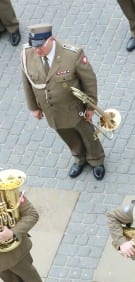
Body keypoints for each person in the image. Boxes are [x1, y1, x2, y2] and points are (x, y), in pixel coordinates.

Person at [21, 23, 106, 180]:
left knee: (87, 134)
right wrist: (33, 107)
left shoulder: (72, 55)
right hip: (52, 111)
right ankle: (79, 158)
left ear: (51, 40)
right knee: (67, 136)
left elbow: (89, 81)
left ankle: (96, 159)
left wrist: (91, 106)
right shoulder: (27, 54)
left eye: (40, 46)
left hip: (75, 108)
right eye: (34, 46)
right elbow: (27, 81)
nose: (37, 50)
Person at [0, 189, 49, 282]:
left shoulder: (7, 191)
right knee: (8, 278)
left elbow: (32, 215)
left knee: (29, 276)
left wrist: (12, 233)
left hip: (15, 250)